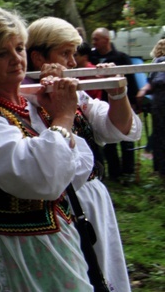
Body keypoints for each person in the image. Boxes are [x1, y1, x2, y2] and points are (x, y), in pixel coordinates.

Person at [0, 7, 94, 291]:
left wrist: (56, 117)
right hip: (6, 242)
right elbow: (38, 179)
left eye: (18, 48)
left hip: (52, 233)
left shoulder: (32, 105)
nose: (16, 59)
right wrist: (64, 118)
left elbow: (76, 171)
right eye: (1, 54)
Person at [27, 16, 141, 292]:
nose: (73, 63)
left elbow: (119, 129)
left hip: (92, 198)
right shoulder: (23, 102)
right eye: (65, 54)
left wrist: (117, 91)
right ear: (39, 57)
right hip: (57, 206)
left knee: (104, 270)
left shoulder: (78, 96)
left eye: (73, 53)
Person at [91, 27, 139, 182]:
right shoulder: (93, 58)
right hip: (100, 103)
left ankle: (128, 171)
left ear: (106, 39)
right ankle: (114, 172)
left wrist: (132, 101)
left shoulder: (121, 57)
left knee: (125, 138)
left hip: (121, 101)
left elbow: (131, 81)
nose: (94, 42)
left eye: (96, 39)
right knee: (108, 142)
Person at [137, 39, 165, 176]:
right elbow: (154, 82)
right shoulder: (159, 62)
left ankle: (159, 167)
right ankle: (160, 168)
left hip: (159, 102)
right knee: (159, 135)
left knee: (159, 134)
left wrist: (143, 90)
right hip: (160, 102)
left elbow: (151, 82)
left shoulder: (156, 62)